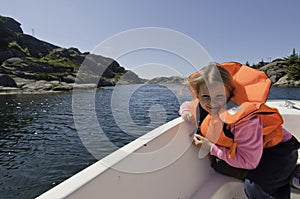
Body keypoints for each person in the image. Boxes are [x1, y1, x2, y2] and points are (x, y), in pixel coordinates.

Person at [179, 62, 300, 198]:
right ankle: (289, 174)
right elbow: (187, 105)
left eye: (219, 96)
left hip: (278, 151)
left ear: (230, 94)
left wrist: (210, 147)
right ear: (198, 96)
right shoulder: (203, 105)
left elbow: (249, 162)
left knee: (255, 187)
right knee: (219, 165)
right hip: (254, 151)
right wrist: (185, 113)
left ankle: (288, 171)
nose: (212, 103)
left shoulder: (245, 121)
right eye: (205, 97)